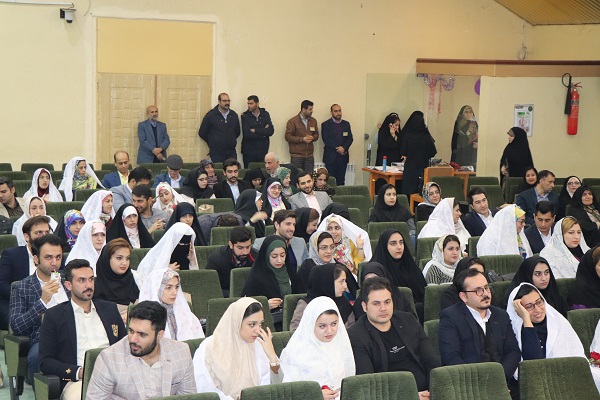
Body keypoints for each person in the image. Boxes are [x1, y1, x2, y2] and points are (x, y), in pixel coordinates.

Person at [38, 259, 125, 400]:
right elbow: (45, 362)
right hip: (79, 381)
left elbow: (125, 346)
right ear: (68, 285)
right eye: (81, 280)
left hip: (116, 377)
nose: (88, 285)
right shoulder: (54, 316)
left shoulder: (110, 309)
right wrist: (78, 372)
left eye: (91, 279)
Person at [348, 277, 440, 398]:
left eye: (387, 302)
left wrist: (434, 391)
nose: (383, 308)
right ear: (365, 307)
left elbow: (431, 361)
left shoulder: (408, 320)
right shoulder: (356, 335)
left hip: (426, 392)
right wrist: (411, 396)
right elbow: (369, 383)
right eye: (376, 303)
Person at [87, 301, 196, 398]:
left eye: (142, 334)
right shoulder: (109, 359)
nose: (133, 339)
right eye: (131, 331)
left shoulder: (181, 353)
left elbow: (188, 397)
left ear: (159, 335)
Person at [439, 269, 521, 396]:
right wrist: (481, 386)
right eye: (478, 290)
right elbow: (451, 358)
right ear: (463, 296)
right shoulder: (451, 317)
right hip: (469, 389)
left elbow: (513, 351)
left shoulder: (501, 315)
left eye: (486, 288)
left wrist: (499, 380)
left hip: (502, 384)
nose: (485, 294)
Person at [506, 283, 600, 392]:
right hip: (535, 387)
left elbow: (575, 359)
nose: (537, 309)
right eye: (529, 306)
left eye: (539, 302)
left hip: (568, 378)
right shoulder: (513, 330)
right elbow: (533, 364)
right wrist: (526, 320)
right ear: (518, 310)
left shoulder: (557, 322)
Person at [10, 234, 69, 385]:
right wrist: (42, 302)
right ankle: (43, 389)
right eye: (48, 257)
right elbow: (16, 326)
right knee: (38, 356)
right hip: (42, 339)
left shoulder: (69, 280)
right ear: (36, 259)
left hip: (74, 333)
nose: (54, 262)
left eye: (58, 257)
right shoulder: (22, 287)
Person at [193, 298, 281, 399]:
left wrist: (273, 358)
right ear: (236, 322)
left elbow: (273, 388)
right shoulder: (209, 347)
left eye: (260, 324)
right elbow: (205, 391)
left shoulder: (258, 345)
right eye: (252, 324)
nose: (258, 330)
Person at [281, 296, 355, 399]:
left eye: (334, 324)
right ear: (311, 325)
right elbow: (289, 393)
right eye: (322, 326)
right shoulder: (295, 353)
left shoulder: (341, 344)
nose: (329, 331)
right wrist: (315, 395)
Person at [0, 216, 53, 330]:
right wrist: (27, 298)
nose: (44, 236)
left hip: (49, 302)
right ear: (26, 236)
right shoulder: (11, 255)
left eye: (47, 232)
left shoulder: (54, 257)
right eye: (38, 232)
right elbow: (2, 285)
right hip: (16, 304)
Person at [242, 236, 302, 314]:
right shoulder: (257, 277)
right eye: (274, 256)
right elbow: (245, 306)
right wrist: (264, 305)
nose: (279, 260)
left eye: (282, 255)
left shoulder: (290, 271)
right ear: (267, 255)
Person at [139, 268, 204, 340]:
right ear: (156, 289)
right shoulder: (145, 317)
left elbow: (198, 341)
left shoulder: (185, 313)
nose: (175, 292)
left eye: (176, 287)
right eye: (168, 287)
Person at [371, 229, 426, 309]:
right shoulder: (376, 270)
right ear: (385, 246)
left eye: (401, 242)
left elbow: (424, 296)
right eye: (393, 243)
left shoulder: (410, 266)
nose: (399, 247)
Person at [291, 262, 355, 330]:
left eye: (345, 281)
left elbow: (352, 329)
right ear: (329, 282)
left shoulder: (343, 302)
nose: (345, 286)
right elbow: (295, 332)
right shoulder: (306, 305)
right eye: (341, 282)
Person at [502, 256, 568, 316]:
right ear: (527, 275)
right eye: (537, 274)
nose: (544, 278)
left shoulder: (554, 295)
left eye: (546, 272)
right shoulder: (516, 299)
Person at [206, 226, 257, 296]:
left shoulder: (257, 257)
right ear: (231, 245)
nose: (245, 252)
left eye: (248, 247)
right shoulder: (216, 259)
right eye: (240, 248)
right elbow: (210, 288)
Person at [254, 210, 308, 274]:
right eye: (288, 224)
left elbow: (306, 269)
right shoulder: (260, 243)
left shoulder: (300, 242)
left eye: (294, 224)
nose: (292, 228)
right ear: (277, 225)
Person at [93, 238, 140, 313]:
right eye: (119, 258)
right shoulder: (94, 287)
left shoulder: (137, 279)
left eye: (127, 258)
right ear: (107, 259)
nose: (124, 263)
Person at [400, 111, 437, 196]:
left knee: (409, 193)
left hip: (410, 169)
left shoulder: (408, 135)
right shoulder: (427, 136)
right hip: (423, 169)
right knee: (421, 193)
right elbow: (433, 152)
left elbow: (403, 151)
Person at [198, 92, 240, 162]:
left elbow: (237, 132)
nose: (227, 103)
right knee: (218, 168)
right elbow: (202, 133)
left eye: (228, 101)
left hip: (231, 152)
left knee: (232, 168)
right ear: (219, 102)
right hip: (216, 153)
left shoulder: (234, 115)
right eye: (224, 101)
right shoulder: (211, 115)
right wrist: (213, 141)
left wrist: (230, 139)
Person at [321, 104, 353, 186]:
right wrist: (338, 148)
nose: (338, 113)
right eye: (335, 111)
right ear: (331, 112)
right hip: (331, 158)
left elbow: (350, 138)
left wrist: (344, 148)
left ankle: (340, 195)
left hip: (343, 157)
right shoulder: (326, 124)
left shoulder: (346, 124)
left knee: (341, 181)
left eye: (339, 111)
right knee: (331, 182)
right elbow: (326, 140)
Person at [285, 99, 319, 172]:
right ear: (303, 109)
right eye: (310, 109)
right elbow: (288, 137)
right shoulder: (292, 121)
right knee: (297, 176)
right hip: (297, 156)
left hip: (309, 156)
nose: (312, 111)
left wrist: (313, 137)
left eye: (312, 109)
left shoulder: (313, 121)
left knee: (309, 176)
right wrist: (302, 139)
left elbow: (316, 135)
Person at [241, 95, 275, 168]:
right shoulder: (245, 116)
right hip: (249, 152)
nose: (249, 106)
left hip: (262, 151)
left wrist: (255, 130)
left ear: (257, 103)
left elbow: (271, 131)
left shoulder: (265, 114)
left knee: (262, 171)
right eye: (248, 103)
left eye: (251, 103)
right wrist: (263, 133)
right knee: (249, 172)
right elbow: (247, 134)